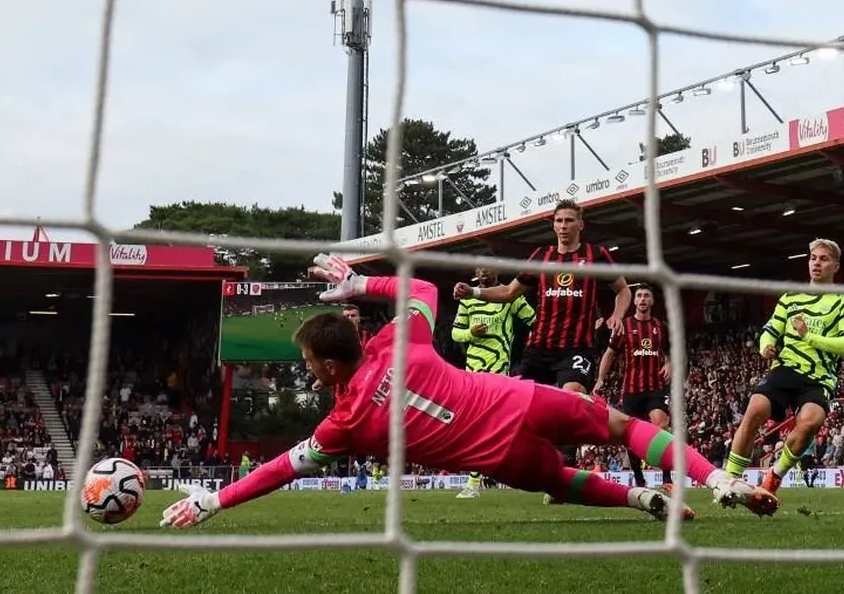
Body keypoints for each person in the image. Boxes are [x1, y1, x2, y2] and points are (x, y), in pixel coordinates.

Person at [159, 255, 778, 529]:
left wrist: (216, 502)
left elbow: (279, 471)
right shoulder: (404, 342)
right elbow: (423, 291)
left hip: (498, 457)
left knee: (560, 483)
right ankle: (718, 479)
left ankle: (640, 504)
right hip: (519, 399)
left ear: (324, 368)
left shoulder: (342, 424)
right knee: (618, 426)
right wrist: (360, 285)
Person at [723, 239, 844, 501]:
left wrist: (810, 338)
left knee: (811, 421)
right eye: (812, 258)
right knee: (755, 409)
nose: (816, 263)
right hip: (785, 368)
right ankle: (728, 481)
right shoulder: (790, 298)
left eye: (823, 258)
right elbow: (770, 330)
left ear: (836, 266)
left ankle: (773, 477)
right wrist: (766, 346)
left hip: (819, 377)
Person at [453, 199, 630, 395]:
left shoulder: (595, 255)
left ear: (581, 225)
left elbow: (623, 289)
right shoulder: (541, 256)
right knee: (522, 401)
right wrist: (473, 291)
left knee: (573, 394)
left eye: (569, 221)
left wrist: (617, 314)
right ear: (554, 225)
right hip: (539, 347)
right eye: (559, 221)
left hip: (577, 348)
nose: (563, 226)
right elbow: (509, 292)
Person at [451, 267, 536, 499]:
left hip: (499, 370)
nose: (485, 276)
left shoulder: (509, 297)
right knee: (474, 424)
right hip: (473, 372)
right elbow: (456, 334)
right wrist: (471, 333)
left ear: (497, 274)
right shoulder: (468, 300)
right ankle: (475, 481)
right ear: (476, 275)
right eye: (481, 273)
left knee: (494, 424)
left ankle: (478, 480)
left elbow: (534, 319)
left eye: (489, 272)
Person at [593, 284, 674, 490]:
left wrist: (668, 363)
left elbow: (671, 352)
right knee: (631, 437)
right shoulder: (624, 326)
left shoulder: (660, 326)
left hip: (656, 387)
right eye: (639, 296)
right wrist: (601, 378)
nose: (643, 299)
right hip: (631, 390)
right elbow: (610, 354)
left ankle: (666, 479)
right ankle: (639, 480)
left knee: (661, 426)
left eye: (647, 296)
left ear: (652, 301)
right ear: (635, 301)